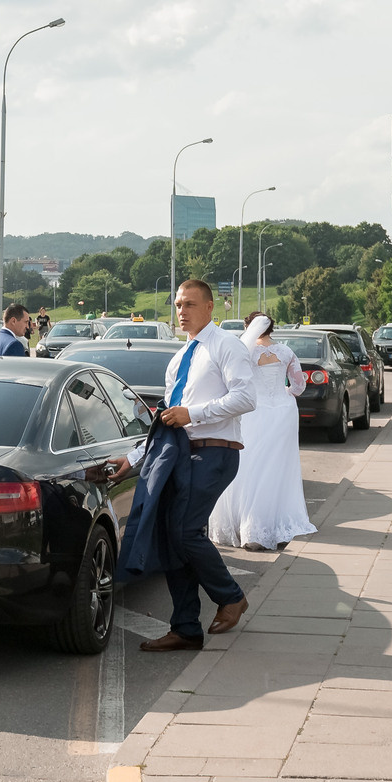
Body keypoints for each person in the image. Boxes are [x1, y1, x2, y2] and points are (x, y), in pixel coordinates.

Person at [139, 278, 256, 653]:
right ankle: (186, 627)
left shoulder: (226, 346)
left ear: (209, 307)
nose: (181, 312)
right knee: (175, 536)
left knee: (186, 532)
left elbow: (246, 397)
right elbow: (167, 416)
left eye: (189, 304)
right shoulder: (179, 358)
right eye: (177, 305)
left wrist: (195, 414)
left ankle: (232, 596)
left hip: (216, 452)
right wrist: (131, 460)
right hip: (181, 454)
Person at [209, 313, 313, 551]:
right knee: (278, 468)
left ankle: (247, 526)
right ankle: (274, 524)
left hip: (253, 412)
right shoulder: (286, 352)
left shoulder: (244, 352)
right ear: (271, 329)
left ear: (249, 328)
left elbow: (232, 382)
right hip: (282, 413)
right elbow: (299, 385)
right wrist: (284, 393)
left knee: (249, 466)